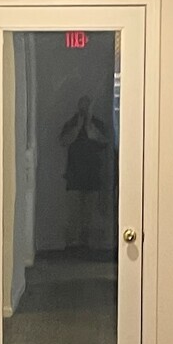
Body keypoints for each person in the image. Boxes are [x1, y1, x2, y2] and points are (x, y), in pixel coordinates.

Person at [60, 95, 111, 252]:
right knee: (73, 214)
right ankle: (71, 245)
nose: (84, 110)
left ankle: (86, 245)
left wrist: (89, 126)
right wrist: (78, 127)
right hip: (74, 176)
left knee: (89, 215)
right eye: (82, 106)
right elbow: (63, 141)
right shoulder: (71, 123)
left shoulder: (98, 124)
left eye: (87, 107)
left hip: (93, 176)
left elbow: (105, 141)